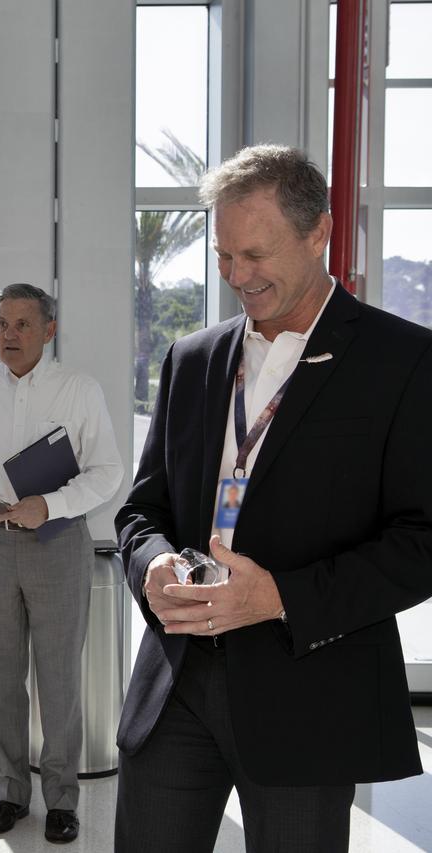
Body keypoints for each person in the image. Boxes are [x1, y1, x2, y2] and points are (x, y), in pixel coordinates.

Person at [115, 144, 432, 852]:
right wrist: (154, 566)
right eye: (225, 257)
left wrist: (280, 597)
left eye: (255, 254)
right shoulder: (192, 358)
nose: (237, 276)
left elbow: (423, 541)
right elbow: (142, 510)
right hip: (175, 687)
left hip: (310, 697)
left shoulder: (404, 362)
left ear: (319, 232)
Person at [0, 283, 123, 845]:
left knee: (59, 677)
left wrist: (52, 504)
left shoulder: (79, 390)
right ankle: (9, 793)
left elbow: (107, 472)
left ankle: (62, 801)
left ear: (49, 330)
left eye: (22, 324)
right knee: (0, 675)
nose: (9, 335)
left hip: (59, 541)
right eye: (1, 324)